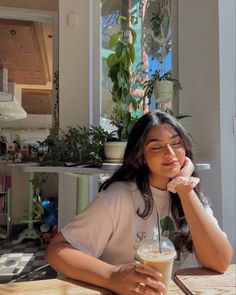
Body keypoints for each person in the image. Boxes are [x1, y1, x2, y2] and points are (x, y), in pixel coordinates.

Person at [46, 111, 232, 295]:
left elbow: (220, 262)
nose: (170, 154)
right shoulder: (119, 197)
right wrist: (112, 276)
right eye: (156, 147)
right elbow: (57, 250)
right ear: (141, 156)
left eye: (176, 143)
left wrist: (184, 188)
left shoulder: (190, 195)